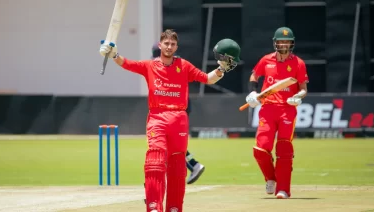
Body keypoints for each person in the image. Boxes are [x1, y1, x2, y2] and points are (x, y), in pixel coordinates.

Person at [100, 29, 240, 212]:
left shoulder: (184, 65)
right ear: (160, 45)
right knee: (155, 161)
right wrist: (114, 54)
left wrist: (221, 69)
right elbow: (127, 64)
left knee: (177, 167)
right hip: (157, 117)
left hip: (179, 119)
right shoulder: (150, 65)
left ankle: (174, 208)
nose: (169, 47)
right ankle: (153, 206)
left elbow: (207, 79)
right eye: (166, 43)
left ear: (176, 47)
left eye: (172, 44)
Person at [245, 27, 309, 199]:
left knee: (284, 148)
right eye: (281, 41)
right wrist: (252, 92)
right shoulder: (266, 60)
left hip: (288, 110)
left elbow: (303, 88)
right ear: (275, 42)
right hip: (267, 108)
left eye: (287, 41)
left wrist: (298, 96)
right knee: (260, 149)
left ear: (291, 43)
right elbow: (254, 76)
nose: (283, 44)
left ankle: (283, 189)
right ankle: (271, 178)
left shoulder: (298, 63)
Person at [151, 43, 205, 185]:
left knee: (170, 144)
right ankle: (191, 165)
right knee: (171, 143)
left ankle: (191, 166)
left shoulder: (168, 65)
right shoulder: (177, 63)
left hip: (174, 108)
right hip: (180, 107)